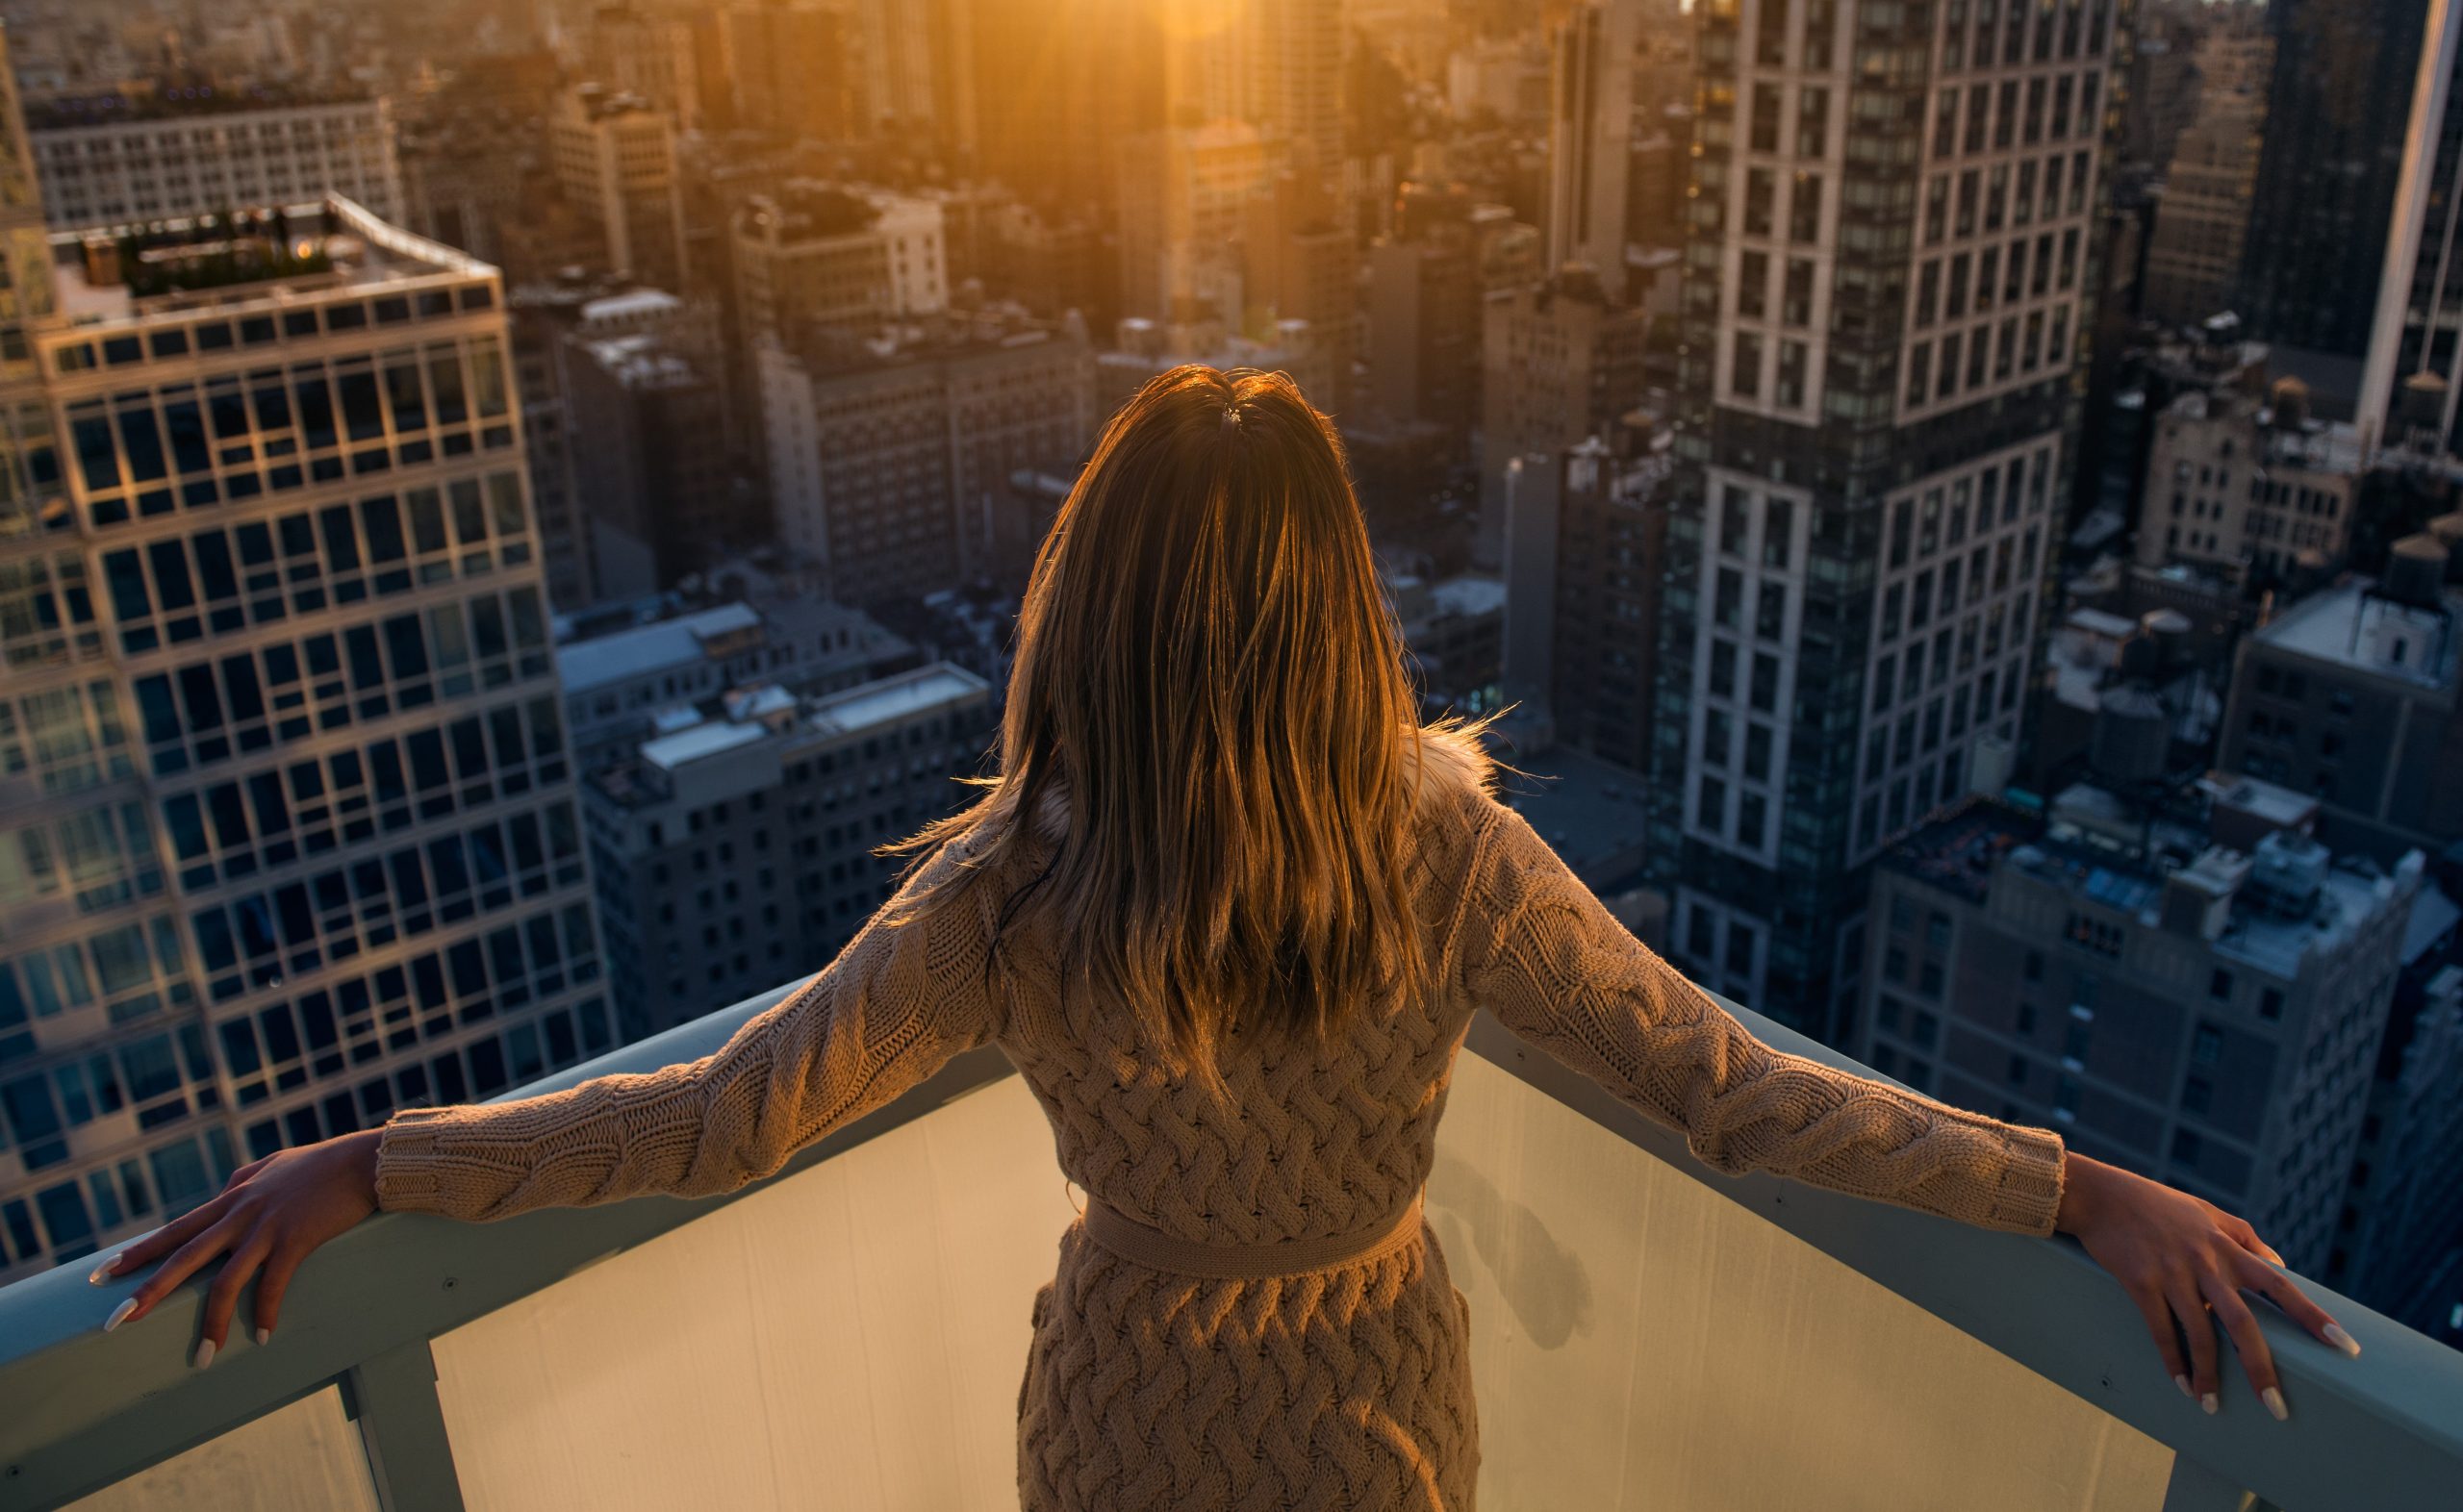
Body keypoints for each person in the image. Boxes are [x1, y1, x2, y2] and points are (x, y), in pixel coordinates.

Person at [90, 366, 2358, 1508]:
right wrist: (2075, 1186)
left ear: (1097, 595)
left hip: (1117, 1413)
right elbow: (1735, 1096)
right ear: (1331, 604)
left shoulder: (1012, 890)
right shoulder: (1443, 848)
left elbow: (710, 1121)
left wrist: (374, 1167)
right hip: (1374, 1411)